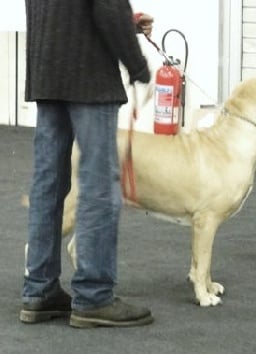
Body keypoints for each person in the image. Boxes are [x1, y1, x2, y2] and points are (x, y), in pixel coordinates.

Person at [20, 1, 155, 328]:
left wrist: (127, 22)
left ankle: (39, 290)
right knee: (98, 189)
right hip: (89, 77)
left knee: (47, 186)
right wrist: (139, 68)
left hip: (47, 70)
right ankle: (94, 296)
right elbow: (107, 7)